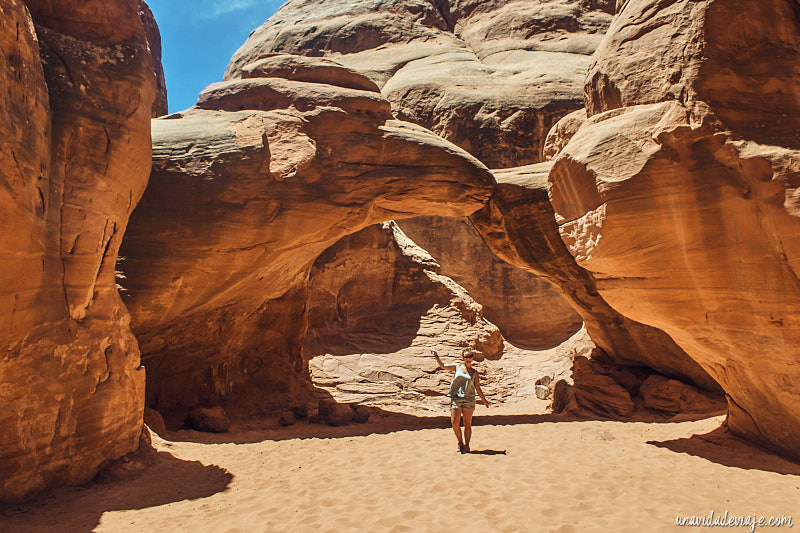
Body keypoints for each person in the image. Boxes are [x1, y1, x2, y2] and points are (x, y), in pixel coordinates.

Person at [432, 347, 490, 453]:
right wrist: (436, 356)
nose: (468, 358)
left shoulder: (475, 373)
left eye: (470, 356)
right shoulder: (457, 367)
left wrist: (484, 400)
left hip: (469, 400)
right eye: (466, 356)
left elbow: (477, 387)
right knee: (455, 423)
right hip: (456, 398)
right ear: (463, 358)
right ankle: (460, 442)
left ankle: (467, 445)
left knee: (467, 424)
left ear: (473, 358)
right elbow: (443, 366)